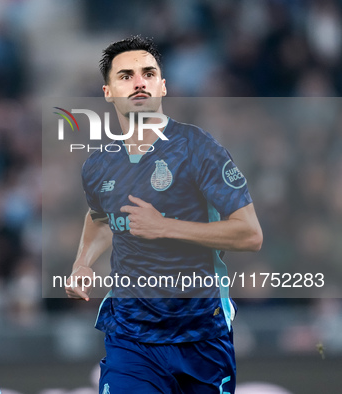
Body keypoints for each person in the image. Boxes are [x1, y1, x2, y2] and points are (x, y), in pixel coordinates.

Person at [65, 36, 263, 393]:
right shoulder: (98, 165)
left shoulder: (199, 149)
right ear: (108, 92)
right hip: (131, 336)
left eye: (148, 73)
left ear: (162, 87)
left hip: (202, 333)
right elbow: (100, 219)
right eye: (126, 75)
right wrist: (83, 262)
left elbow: (249, 234)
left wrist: (165, 227)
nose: (139, 82)